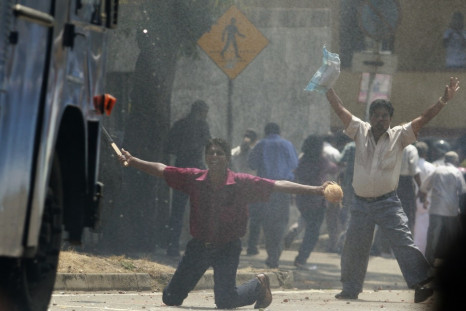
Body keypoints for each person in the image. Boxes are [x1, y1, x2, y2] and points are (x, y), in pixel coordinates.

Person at [118, 138, 332, 309]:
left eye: (219, 153)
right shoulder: (194, 178)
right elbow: (162, 169)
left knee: (225, 301)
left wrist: (315, 189)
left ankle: (259, 285)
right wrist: (133, 160)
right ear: (205, 157)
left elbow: (277, 185)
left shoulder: (241, 182)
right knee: (170, 298)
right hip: (199, 247)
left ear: (227, 158)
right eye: (210, 152)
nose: (214, 156)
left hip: (227, 248)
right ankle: (251, 287)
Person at [325, 76, 460, 303]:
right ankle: (350, 288)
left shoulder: (400, 135)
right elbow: (339, 109)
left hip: (387, 202)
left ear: (390, 119)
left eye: (384, 116)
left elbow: (424, 118)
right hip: (360, 202)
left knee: (403, 242)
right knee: (353, 246)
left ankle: (422, 284)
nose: (380, 119)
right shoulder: (359, 130)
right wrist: (327, 87)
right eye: (376, 115)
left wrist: (443, 101)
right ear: (370, 117)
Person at [248, 122, 299, 268]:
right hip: (283, 188)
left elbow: (252, 164)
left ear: (265, 132)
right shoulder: (288, 145)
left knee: (267, 222)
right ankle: (275, 255)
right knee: (281, 222)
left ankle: (272, 255)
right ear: (279, 131)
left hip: (265, 188)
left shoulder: (260, 144)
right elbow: (295, 165)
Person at [165, 100, 211, 257]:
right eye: (205, 112)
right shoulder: (202, 126)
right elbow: (209, 145)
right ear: (201, 111)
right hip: (197, 171)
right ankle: (199, 246)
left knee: (177, 210)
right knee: (200, 210)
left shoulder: (180, 124)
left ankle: (172, 246)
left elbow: (169, 146)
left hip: (181, 169)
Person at [293, 135, 339, 270]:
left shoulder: (302, 159)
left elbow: (296, 172)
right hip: (317, 200)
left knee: (308, 225)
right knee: (313, 232)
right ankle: (301, 259)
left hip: (302, 198)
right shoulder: (321, 160)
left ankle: (299, 251)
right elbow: (334, 169)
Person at [420, 151, 466, 266]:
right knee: (454, 236)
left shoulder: (437, 170)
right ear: (455, 161)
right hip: (451, 210)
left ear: (445, 160)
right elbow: (462, 191)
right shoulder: (456, 172)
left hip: (436, 209)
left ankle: (428, 260)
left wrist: (425, 199)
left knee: (432, 236)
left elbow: (424, 187)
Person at [413, 141, 435, 255]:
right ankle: (420, 250)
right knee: (423, 226)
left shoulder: (411, 165)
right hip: (425, 199)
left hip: (411, 198)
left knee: (412, 224)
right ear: (426, 153)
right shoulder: (430, 167)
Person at [398, 144, 421, 231]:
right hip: (405, 184)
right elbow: (414, 169)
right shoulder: (410, 149)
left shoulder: (390, 145)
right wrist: (421, 188)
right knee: (408, 214)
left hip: (390, 183)